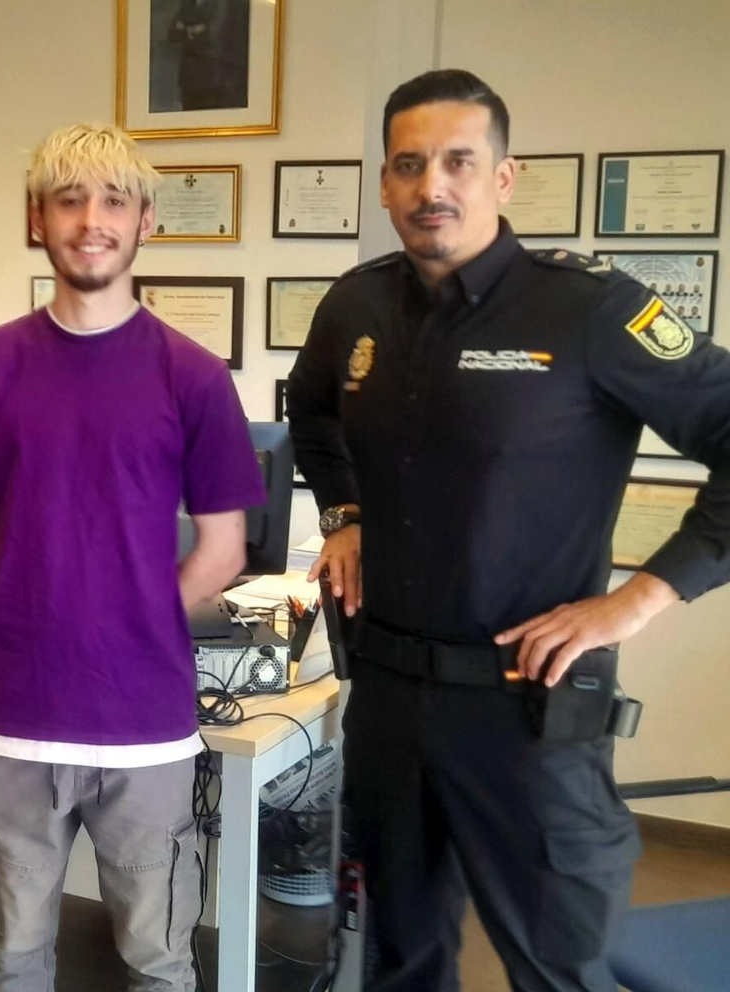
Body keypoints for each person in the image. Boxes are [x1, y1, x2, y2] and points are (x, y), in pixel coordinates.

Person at [286, 69, 730, 991]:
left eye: (457, 161)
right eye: (408, 165)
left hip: (527, 708)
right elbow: (314, 414)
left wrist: (640, 599)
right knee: (396, 958)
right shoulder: (355, 306)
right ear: (383, 182)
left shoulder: (589, 309)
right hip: (389, 699)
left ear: (503, 177)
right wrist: (345, 514)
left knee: (555, 965)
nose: (430, 186)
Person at [0, 122, 264, 991]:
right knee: (16, 955)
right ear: (39, 219)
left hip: (144, 723)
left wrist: (121, 622)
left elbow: (223, 550)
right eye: (69, 200)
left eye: (113, 200)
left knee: (158, 959)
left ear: (147, 220)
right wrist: (43, 612)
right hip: (14, 712)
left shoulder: (191, 375)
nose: (91, 220)